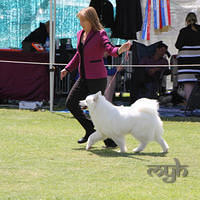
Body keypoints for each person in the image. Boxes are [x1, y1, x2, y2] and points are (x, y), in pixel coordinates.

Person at [60, 7, 131, 147]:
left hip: (97, 78)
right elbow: (78, 55)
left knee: (99, 111)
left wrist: (120, 50)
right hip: (83, 77)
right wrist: (67, 68)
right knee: (71, 103)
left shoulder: (100, 34)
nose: (81, 23)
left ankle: (109, 139)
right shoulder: (80, 34)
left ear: (91, 20)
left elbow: (110, 49)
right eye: (80, 20)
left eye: (83, 20)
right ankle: (90, 130)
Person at [175, 12, 200, 103]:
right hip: (198, 59)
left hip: (186, 60)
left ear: (186, 21)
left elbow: (178, 45)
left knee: (188, 82)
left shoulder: (183, 31)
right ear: (196, 20)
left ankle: (189, 103)